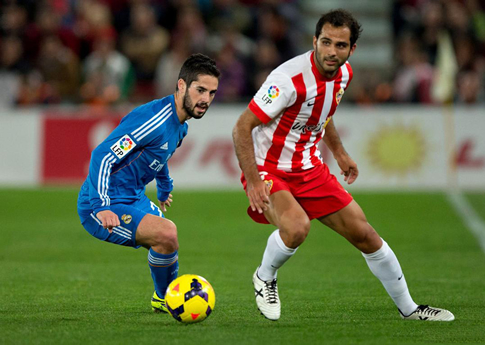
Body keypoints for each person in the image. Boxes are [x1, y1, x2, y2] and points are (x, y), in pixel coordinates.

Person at [232, 9, 454, 322]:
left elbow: (324, 113)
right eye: (325, 42)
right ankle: (264, 277)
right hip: (268, 168)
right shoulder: (287, 79)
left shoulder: (344, 74)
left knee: (366, 235)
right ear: (314, 41)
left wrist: (339, 151)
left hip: (310, 169)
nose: (331, 51)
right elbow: (242, 126)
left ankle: (410, 309)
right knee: (296, 227)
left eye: (340, 45)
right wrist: (254, 182)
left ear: (352, 50)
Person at [77, 53, 220, 313]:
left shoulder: (181, 125)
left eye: (211, 93)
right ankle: (170, 298)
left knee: (168, 240)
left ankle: (162, 296)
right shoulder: (152, 120)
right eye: (200, 90)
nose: (205, 100)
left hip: (133, 198)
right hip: (100, 203)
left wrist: (165, 186)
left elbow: (160, 155)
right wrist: (101, 206)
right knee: (167, 233)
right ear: (181, 86)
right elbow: (103, 155)